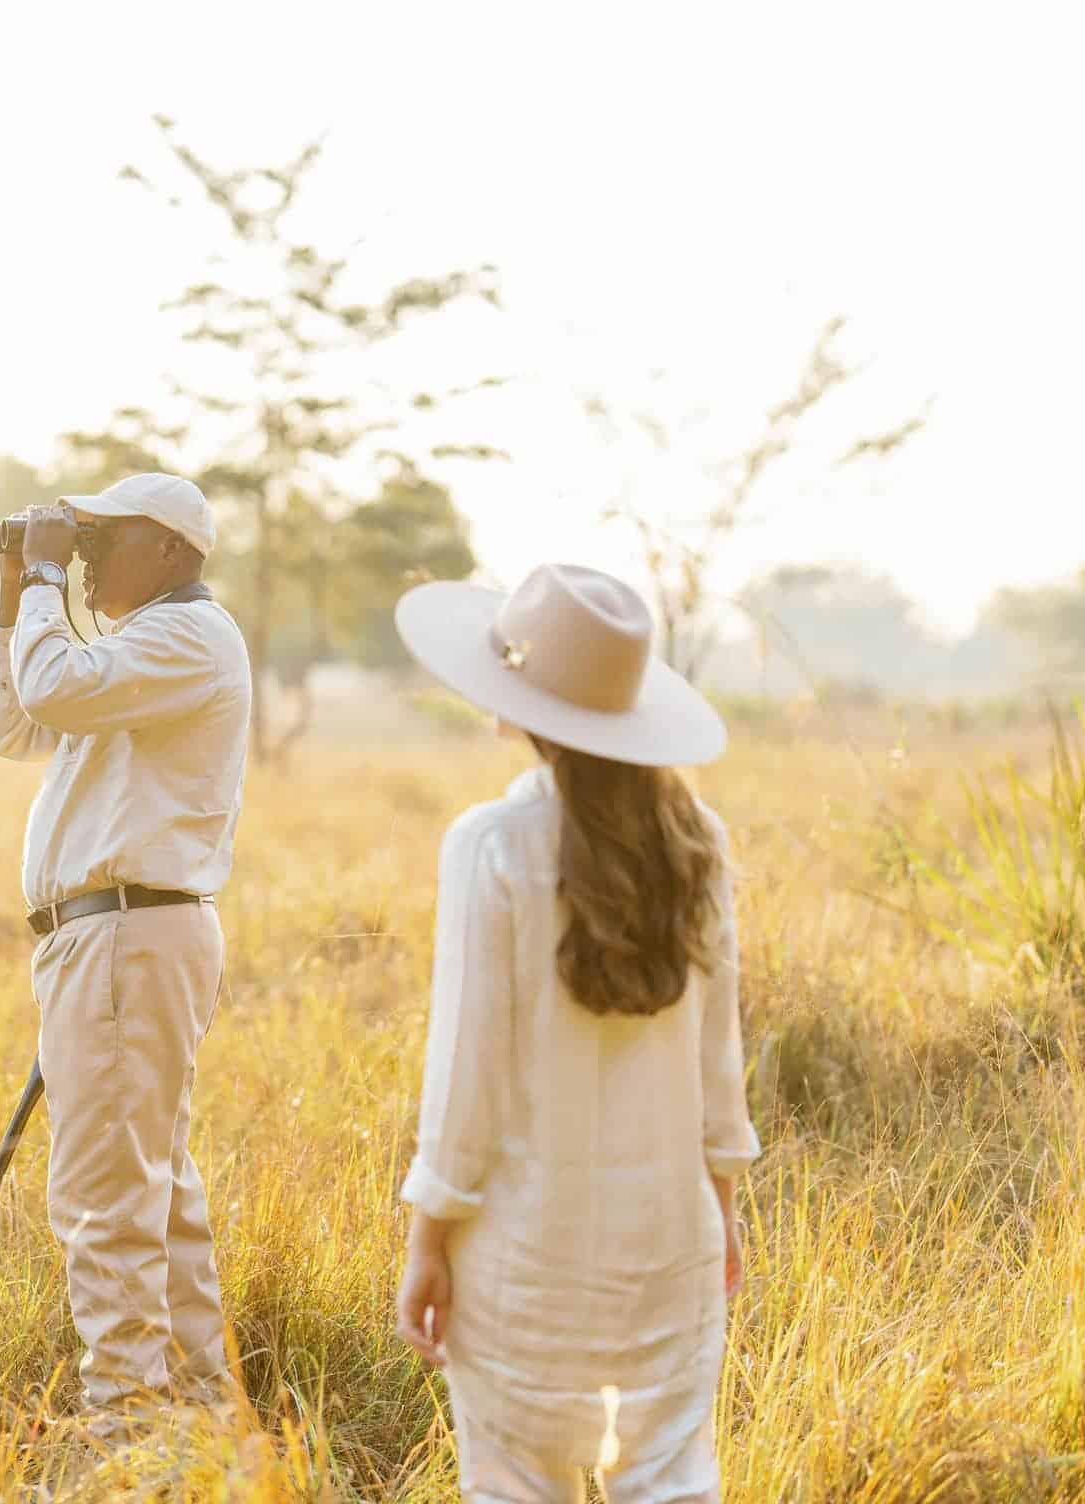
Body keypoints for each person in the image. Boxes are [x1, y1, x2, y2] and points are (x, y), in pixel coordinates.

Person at [390, 563, 758, 1504]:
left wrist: (429, 1240)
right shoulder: (697, 840)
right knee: (675, 1484)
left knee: (515, 1490)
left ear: (518, 703)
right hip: (672, 1243)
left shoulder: (491, 846)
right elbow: (721, 1065)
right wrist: (725, 1205)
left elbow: (465, 1074)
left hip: (522, 1257)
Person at [0, 472, 252, 1419]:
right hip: (118, 939)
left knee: (104, 1200)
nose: (87, 555)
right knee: (152, 1193)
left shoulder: (188, 636)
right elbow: (14, 723)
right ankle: (199, 1419)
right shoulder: (139, 649)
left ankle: (130, 1433)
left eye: (105, 538)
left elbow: (51, 689)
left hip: (129, 936)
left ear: (173, 549)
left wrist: (50, 574)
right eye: (80, 540)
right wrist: (19, 595)